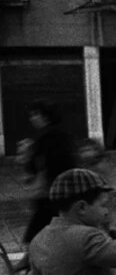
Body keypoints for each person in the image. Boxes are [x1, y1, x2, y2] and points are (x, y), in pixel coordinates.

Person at [17, 100, 77, 245]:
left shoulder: (48, 137)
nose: (32, 118)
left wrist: (27, 155)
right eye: (31, 115)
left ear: (45, 115)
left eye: (36, 114)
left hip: (51, 193)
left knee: (35, 235)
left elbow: (36, 167)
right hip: (59, 191)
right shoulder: (57, 135)